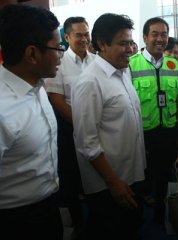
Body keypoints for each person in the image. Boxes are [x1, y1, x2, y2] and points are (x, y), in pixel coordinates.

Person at [71, 13, 146, 240]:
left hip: (131, 173)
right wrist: (113, 182)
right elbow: (87, 142)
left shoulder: (123, 72)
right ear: (102, 44)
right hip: (109, 183)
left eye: (131, 42)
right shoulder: (89, 82)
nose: (130, 49)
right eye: (123, 43)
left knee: (130, 229)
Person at [0, 4, 63, 240]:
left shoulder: (36, 85)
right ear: (32, 54)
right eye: (58, 48)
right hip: (15, 221)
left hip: (47, 206)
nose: (61, 54)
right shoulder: (3, 108)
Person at [129, 17, 178, 225]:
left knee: (164, 178)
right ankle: (137, 220)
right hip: (142, 134)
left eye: (164, 34)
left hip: (168, 133)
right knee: (141, 180)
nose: (160, 39)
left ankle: (162, 217)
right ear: (145, 37)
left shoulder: (173, 63)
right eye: (155, 34)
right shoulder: (131, 64)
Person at [45, 16, 95, 238]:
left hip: (97, 128)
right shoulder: (59, 62)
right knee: (72, 179)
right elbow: (56, 100)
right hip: (69, 128)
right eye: (79, 35)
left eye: (87, 33)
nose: (84, 39)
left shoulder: (97, 61)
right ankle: (78, 224)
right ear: (66, 37)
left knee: (95, 175)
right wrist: (82, 124)